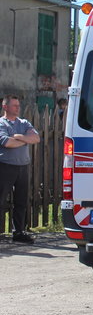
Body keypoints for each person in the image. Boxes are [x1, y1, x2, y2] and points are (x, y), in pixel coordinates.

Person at [0, 96, 41, 243]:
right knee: (1, 199)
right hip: (6, 166)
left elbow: (36, 138)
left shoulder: (23, 123)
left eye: (18, 105)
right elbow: (7, 143)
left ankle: (19, 232)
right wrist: (25, 140)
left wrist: (19, 137)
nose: (18, 108)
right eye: (14, 106)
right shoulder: (1, 124)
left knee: (21, 201)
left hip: (23, 167)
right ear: (5, 107)